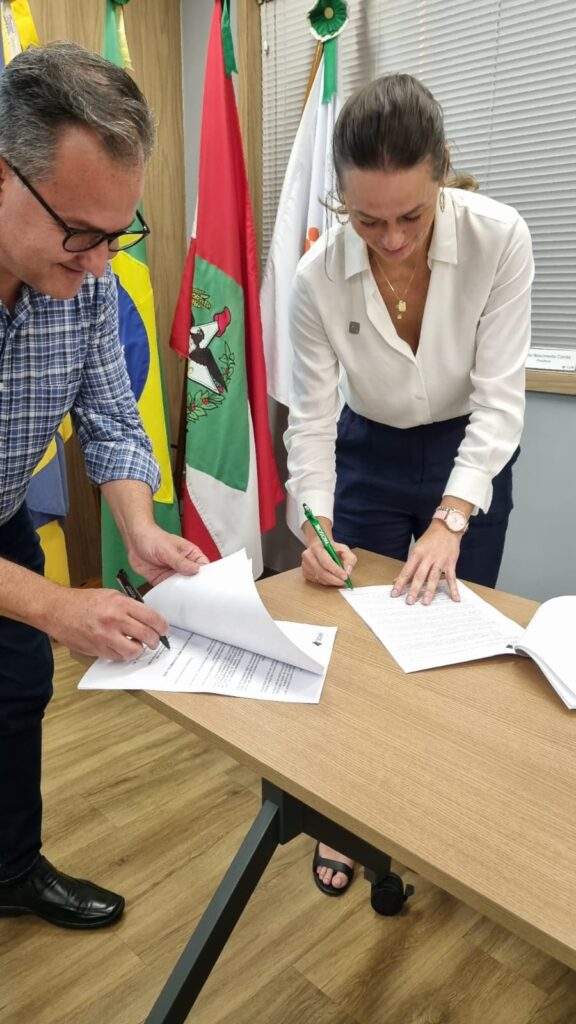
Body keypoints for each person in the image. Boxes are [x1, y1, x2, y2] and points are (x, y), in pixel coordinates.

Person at [284, 74, 534, 895]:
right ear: (341, 201)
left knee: (453, 640)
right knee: (351, 639)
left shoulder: (500, 238)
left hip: (469, 449)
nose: (390, 240)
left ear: (442, 174)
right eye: (367, 220)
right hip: (369, 449)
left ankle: (432, 804)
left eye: (411, 216)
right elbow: (311, 423)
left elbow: (500, 403)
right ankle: (345, 815)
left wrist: (451, 518)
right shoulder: (316, 279)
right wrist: (315, 526)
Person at [0, 42, 208, 928]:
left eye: (118, 235)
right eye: (80, 232)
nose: (99, 264)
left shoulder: (86, 283)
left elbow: (114, 420)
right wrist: (55, 604)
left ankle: (10, 870)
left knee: (17, 692)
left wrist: (143, 531)